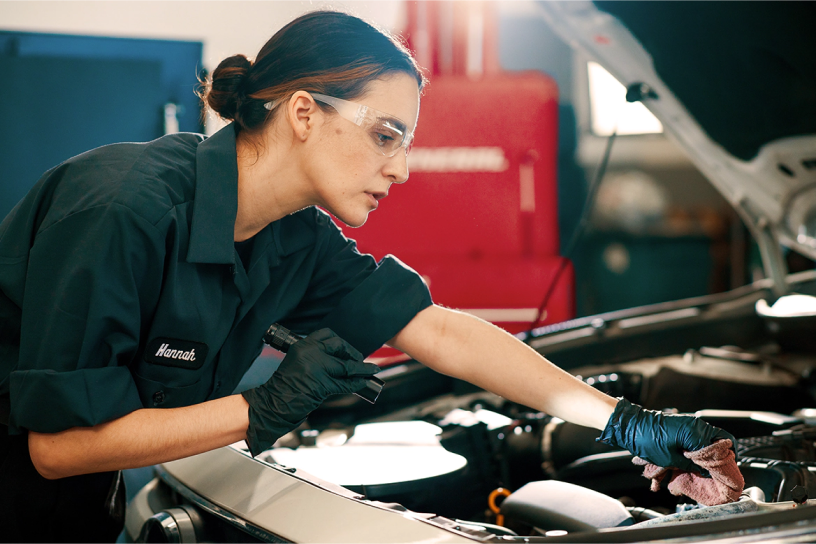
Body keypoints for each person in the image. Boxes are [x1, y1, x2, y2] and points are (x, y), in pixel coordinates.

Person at [0, 10, 734, 542]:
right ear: (302, 114)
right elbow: (60, 447)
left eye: (406, 143)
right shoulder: (124, 209)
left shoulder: (295, 239)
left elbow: (439, 331)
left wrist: (625, 423)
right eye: (386, 135)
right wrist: (265, 407)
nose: (403, 169)